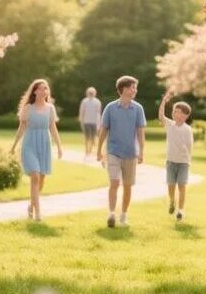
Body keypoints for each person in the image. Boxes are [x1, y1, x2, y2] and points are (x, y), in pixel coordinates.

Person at [10, 79, 64, 222]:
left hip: (44, 145)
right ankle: (38, 213)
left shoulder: (50, 108)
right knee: (35, 176)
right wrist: (14, 146)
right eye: (40, 88)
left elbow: (53, 128)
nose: (43, 91)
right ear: (34, 91)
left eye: (45, 88)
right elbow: (21, 129)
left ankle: (31, 205)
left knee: (41, 179)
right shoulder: (28, 108)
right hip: (29, 145)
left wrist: (59, 146)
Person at [97, 76, 147, 228]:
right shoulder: (110, 108)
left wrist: (141, 151)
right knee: (114, 182)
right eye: (132, 87)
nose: (134, 90)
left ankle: (124, 214)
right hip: (113, 151)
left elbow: (140, 132)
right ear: (123, 89)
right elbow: (104, 130)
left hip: (131, 153)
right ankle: (111, 213)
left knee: (127, 186)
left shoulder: (138, 109)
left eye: (135, 88)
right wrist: (99, 150)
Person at [159, 90, 193, 222]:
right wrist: (164, 101)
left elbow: (189, 145)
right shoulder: (170, 124)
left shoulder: (187, 129)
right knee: (171, 185)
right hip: (171, 162)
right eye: (174, 111)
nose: (174, 113)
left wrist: (186, 151)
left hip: (183, 162)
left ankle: (180, 211)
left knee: (182, 186)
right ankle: (172, 201)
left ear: (185, 116)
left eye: (178, 111)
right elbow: (161, 115)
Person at [78, 87, 103, 161]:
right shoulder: (84, 101)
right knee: (87, 137)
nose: (91, 94)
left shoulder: (97, 102)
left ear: (95, 93)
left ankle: (89, 151)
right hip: (86, 122)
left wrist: (99, 123)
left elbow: (98, 113)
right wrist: (81, 120)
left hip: (94, 122)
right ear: (87, 93)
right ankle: (86, 151)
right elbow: (82, 111)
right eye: (90, 92)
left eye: (92, 92)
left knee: (93, 138)